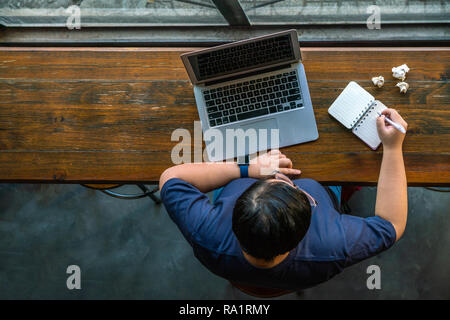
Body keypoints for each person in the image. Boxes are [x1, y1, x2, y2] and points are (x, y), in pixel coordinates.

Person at [159, 108, 408, 291]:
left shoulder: (207, 233)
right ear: (304, 230)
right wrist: (393, 148)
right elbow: (392, 225)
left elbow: (171, 177)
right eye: (298, 192)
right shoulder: (332, 245)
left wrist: (248, 171)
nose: (284, 178)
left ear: (235, 214)